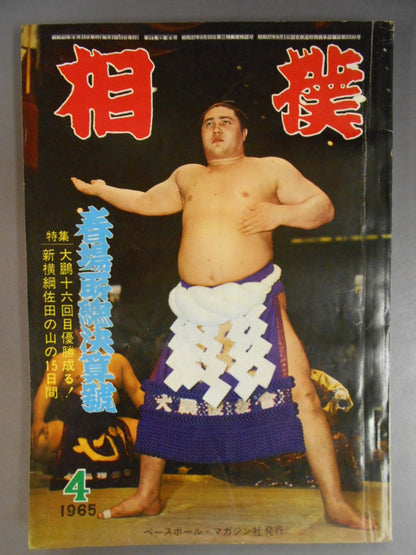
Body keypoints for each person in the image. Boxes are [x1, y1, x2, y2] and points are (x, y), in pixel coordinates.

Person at [71, 101, 376, 529]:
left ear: (243, 133)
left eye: (226, 122)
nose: (215, 129)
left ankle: (335, 503)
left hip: (255, 299)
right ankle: (147, 495)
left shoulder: (270, 169)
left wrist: (280, 213)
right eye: (208, 123)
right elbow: (144, 201)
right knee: (160, 397)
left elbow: (322, 207)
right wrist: (103, 190)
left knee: (304, 394)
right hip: (194, 308)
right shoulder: (188, 176)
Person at [31, 328, 144, 464]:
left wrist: (151, 417)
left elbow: (136, 391)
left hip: (110, 422)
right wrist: (38, 420)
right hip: (73, 422)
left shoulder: (118, 360)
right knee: (39, 441)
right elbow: (46, 388)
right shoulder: (63, 359)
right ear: (77, 332)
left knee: (152, 436)